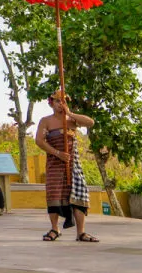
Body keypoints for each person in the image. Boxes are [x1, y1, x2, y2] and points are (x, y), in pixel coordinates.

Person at [35, 92, 98, 242]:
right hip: (55, 164)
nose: (60, 104)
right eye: (57, 101)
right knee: (54, 195)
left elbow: (90, 122)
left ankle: (81, 232)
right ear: (51, 103)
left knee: (79, 195)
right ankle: (54, 229)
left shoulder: (72, 120)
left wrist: (69, 113)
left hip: (73, 164)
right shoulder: (46, 121)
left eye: (63, 101)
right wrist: (57, 153)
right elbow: (39, 140)